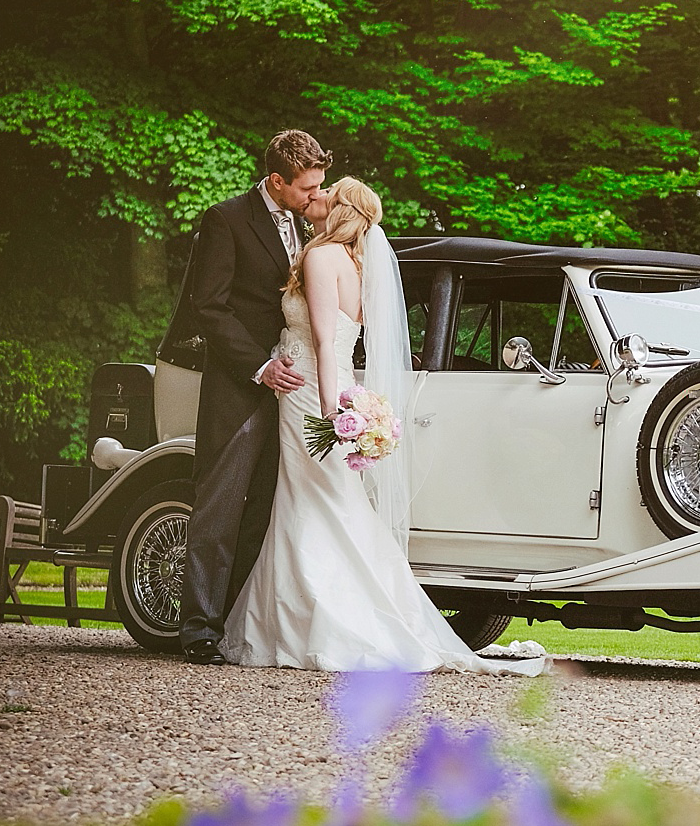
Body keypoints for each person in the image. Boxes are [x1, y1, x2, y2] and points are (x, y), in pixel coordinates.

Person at [217, 177, 548, 675]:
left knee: (312, 504)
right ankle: (318, 616)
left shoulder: (320, 257)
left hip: (311, 392)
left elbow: (327, 343)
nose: (319, 197)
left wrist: (331, 414)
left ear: (341, 208)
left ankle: (315, 623)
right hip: (332, 385)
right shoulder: (356, 263)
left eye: (328, 193)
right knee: (330, 503)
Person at [180, 130, 331, 665]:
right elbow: (210, 306)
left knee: (264, 511)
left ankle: (233, 623)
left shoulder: (306, 222)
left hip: (292, 394)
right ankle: (197, 627)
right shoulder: (226, 220)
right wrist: (261, 366)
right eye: (307, 187)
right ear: (276, 181)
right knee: (219, 507)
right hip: (238, 386)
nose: (317, 194)